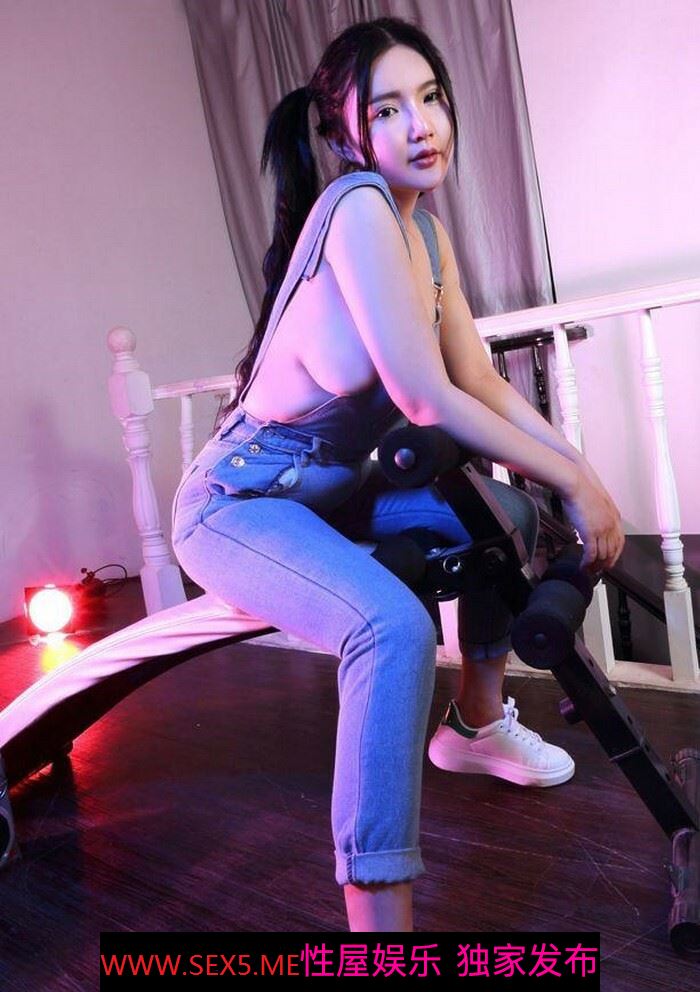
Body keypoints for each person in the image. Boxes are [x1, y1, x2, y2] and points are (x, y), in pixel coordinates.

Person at [170, 16, 624, 932]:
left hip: (336, 496)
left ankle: (476, 726)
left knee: (504, 514)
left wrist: (580, 473)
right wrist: (579, 487)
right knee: (392, 629)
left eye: (431, 97)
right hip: (240, 502)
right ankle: (380, 933)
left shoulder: (429, 237)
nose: (421, 125)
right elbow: (424, 395)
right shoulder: (358, 208)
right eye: (387, 109)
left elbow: (479, 381)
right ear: (347, 135)